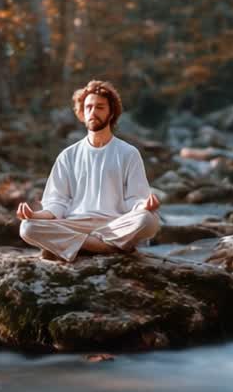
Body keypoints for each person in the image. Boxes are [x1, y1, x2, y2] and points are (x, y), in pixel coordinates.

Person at [16, 80, 162, 261]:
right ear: (82, 113)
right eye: (88, 107)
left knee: (149, 221)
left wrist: (145, 206)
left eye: (100, 107)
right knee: (27, 227)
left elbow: (135, 200)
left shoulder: (128, 153)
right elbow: (57, 203)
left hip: (114, 225)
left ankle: (76, 246)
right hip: (75, 224)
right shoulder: (68, 155)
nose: (93, 112)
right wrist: (34, 215)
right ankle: (105, 247)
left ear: (111, 113)